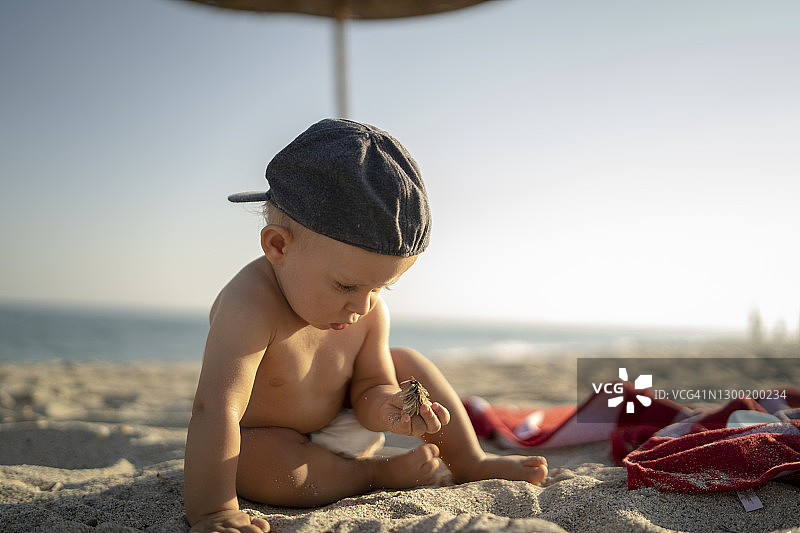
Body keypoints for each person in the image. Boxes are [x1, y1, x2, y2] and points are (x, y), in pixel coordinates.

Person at [184, 119, 548, 533]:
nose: (362, 305)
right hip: (275, 440)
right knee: (256, 464)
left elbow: (370, 387)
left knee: (406, 360)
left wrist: (389, 409)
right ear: (278, 246)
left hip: (344, 420)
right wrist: (213, 510)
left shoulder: (368, 308)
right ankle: (374, 475)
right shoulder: (248, 306)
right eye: (347, 285)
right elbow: (215, 409)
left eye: (382, 287)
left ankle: (468, 461)